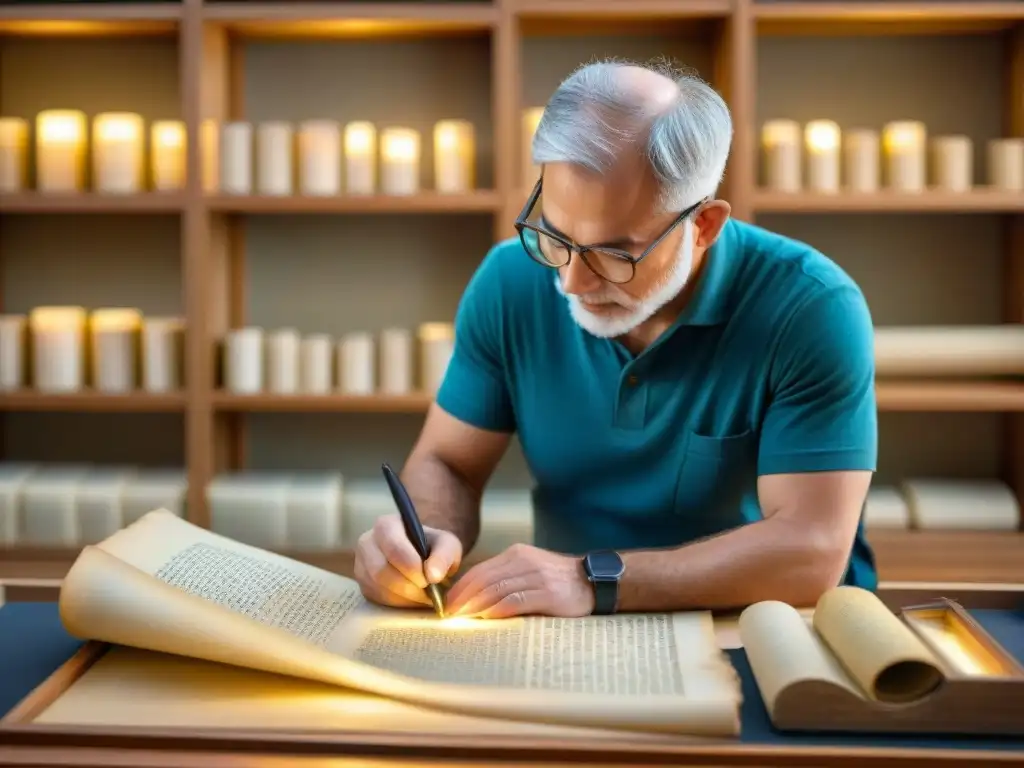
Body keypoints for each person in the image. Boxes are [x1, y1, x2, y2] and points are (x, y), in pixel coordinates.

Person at [354, 59, 877, 620]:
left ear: (703, 226)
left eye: (615, 253)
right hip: (571, 625)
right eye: (555, 235)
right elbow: (448, 462)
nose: (572, 282)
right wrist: (427, 535)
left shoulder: (811, 306)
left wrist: (592, 579)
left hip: (768, 625)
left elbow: (811, 553)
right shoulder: (509, 282)